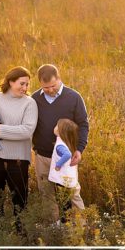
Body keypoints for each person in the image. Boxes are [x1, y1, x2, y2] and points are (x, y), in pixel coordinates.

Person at [0, 66, 37, 221]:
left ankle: (21, 237)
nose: (25, 88)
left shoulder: (29, 104)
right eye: (22, 83)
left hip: (18, 160)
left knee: (20, 201)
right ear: (11, 82)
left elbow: (27, 130)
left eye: (27, 85)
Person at [31, 63, 88, 215]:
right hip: (42, 156)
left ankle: (78, 227)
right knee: (46, 194)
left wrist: (79, 149)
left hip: (66, 156)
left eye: (53, 86)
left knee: (71, 194)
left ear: (59, 79)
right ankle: (54, 228)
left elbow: (83, 124)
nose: (50, 90)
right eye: (45, 87)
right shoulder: (35, 99)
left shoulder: (74, 97)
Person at [49, 118, 81, 222]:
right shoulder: (66, 142)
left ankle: (64, 223)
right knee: (66, 202)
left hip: (62, 179)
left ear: (61, 131)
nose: (55, 127)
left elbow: (67, 155)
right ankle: (66, 222)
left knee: (63, 202)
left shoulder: (60, 145)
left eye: (57, 126)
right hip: (66, 178)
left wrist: (58, 165)